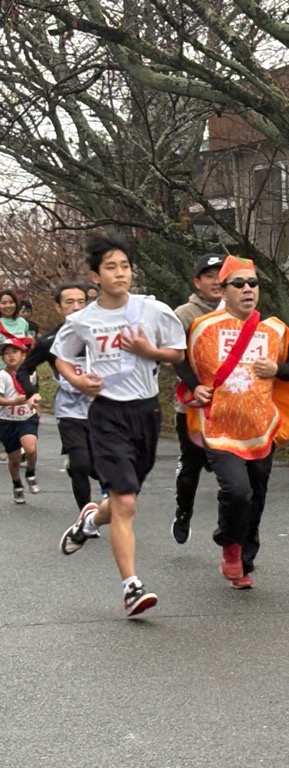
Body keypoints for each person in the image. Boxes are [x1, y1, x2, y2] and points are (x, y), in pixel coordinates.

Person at [54, 231, 187, 618]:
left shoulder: (152, 310)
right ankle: (132, 588)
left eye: (125, 266)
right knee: (126, 502)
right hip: (107, 415)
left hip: (146, 413)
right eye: (110, 267)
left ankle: (90, 519)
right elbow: (61, 356)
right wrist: (77, 380)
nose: (119, 274)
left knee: (123, 500)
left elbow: (177, 352)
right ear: (95, 276)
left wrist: (150, 352)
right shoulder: (83, 320)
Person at [178, 255, 289, 588]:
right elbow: (180, 361)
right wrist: (196, 386)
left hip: (261, 428)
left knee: (257, 496)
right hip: (220, 428)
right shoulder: (203, 328)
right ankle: (229, 543)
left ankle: (244, 561)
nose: (248, 289)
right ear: (223, 290)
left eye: (253, 284)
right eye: (239, 284)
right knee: (237, 492)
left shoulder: (275, 329)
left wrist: (276, 370)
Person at [22, 284, 98, 513]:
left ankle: (80, 468)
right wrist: (31, 393)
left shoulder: (101, 333)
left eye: (81, 302)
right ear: (58, 307)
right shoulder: (49, 341)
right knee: (82, 464)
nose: (76, 307)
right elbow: (24, 369)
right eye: (69, 302)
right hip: (70, 409)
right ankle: (86, 516)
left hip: (102, 408)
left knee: (99, 465)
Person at [170, 253, 225, 544]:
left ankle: (230, 533)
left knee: (232, 473)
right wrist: (194, 386)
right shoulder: (185, 314)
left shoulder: (236, 312)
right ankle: (183, 510)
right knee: (191, 466)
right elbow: (176, 357)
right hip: (193, 405)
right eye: (209, 276)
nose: (216, 281)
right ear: (197, 281)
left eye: (220, 275)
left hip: (230, 406)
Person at [0, 338, 40, 503]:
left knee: (30, 449)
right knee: (14, 459)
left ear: (24, 354)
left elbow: (35, 393)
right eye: (6, 353)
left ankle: (30, 472)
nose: (10, 356)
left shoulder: (32, 373)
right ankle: (17, 484)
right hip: (7, 420)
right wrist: (13, 402)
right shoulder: (2, 376)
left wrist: (37, 408)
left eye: (14, 352)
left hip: (26, 418)